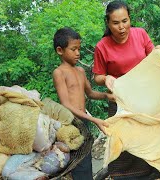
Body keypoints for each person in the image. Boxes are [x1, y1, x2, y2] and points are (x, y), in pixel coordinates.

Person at [93, 0, 160, 179]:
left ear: (130, 19)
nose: (121, 27)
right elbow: (98, 76)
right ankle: (122, 176)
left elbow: (153, 55)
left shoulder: (140, 34)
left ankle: (153, 174)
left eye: (125, 21)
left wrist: (159, 49)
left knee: (147, 137)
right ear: (108, 23)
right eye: (115, 23)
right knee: (123, 142)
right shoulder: (102, 46)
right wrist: (106, 78)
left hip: (145, 99)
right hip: (120, 102)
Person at [52, 27, 115, 180]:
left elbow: (91, 93)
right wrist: (94, 119)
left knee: (86, 159)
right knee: (78, 162)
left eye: (79, 49)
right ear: (60, 50)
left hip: (84, 122)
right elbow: (66, 104)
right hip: (71, 123)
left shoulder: (80, 71)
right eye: (73, 49)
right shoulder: (59, 73)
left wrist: (108, 96)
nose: (78, 53)